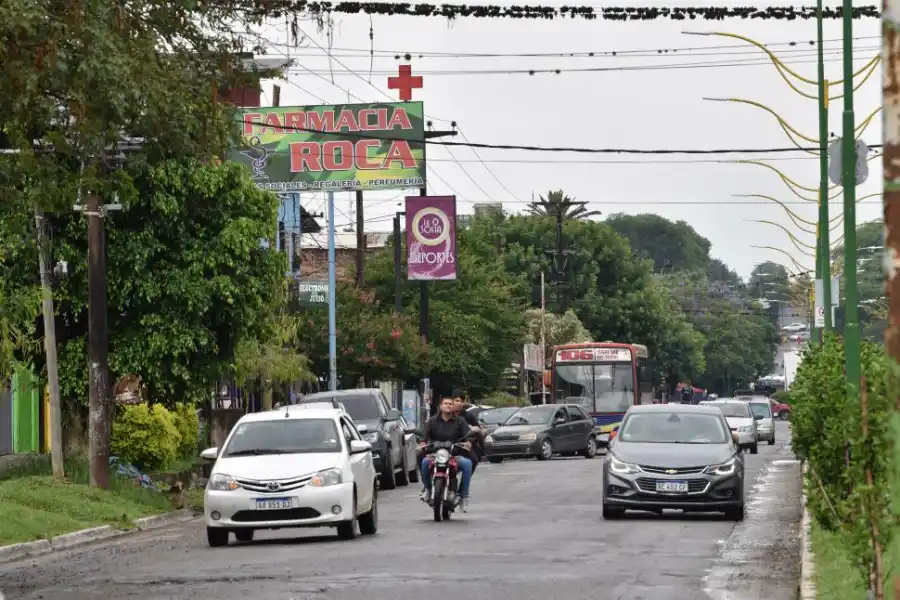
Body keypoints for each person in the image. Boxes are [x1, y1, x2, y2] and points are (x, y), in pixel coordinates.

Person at [419, 397, 475, 511]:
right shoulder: (432, 421)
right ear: (440, 406)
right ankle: (428, 490)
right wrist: (422, 443)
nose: (448, 405)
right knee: (424, 462)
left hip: (454, 455)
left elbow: (468, 435)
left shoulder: (460, 421)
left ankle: (463, 495)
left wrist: (468, 442)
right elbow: (424, 436)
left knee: (468, 464)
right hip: (436, 455)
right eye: (446, 403)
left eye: (450, 404)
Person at [451, 392, 484, 470]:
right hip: (447, 444)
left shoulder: (468, 415)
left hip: (464, 444)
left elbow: (478, 430)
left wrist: (473, 431)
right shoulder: (446, 413)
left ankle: (465, 481)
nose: (459, 403)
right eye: (456, 401)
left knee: (474, 459)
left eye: (461, 401)